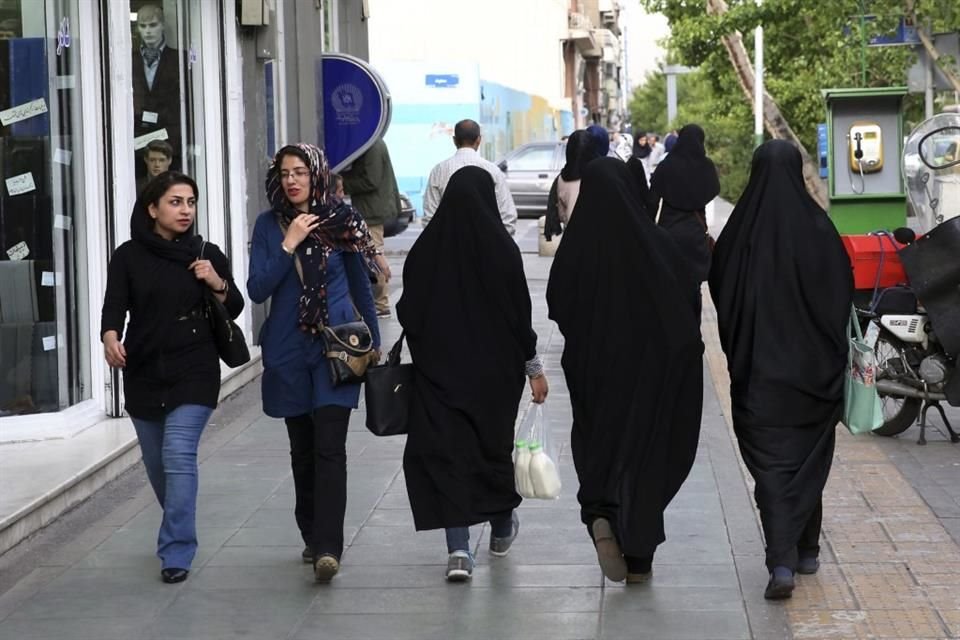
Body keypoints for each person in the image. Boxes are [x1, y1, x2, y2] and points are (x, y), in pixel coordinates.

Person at [546, 157, 704, 584]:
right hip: (648, 377)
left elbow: (556, 304)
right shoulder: (657, 244)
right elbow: (684, 315)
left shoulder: (576, 248)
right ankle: (640, 560)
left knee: (600, 448)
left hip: (591, 374)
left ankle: (600, 513)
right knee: (645, 458)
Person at [709, 140, 853, 600]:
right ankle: (805, 549)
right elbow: (842, 298)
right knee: (809, 459)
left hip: (760, 378)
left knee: (772, 468)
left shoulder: (738, 236)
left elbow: (721, 296)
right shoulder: (819, 231)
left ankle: (782, 561)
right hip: (814, 379)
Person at [397, 166, 548, 582]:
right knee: (490, 449)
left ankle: (459, 550)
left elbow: (407, 311)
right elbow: (520, 315)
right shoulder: (501, 249)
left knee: (448, 454)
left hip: (440, 375)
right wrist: (533, 368)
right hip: (495, 379)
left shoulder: (427, 250)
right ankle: (501, 528)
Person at [100, 171, 244, 584]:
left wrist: (215, 282)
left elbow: (232, 305)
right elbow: (115, 306)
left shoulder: (205, 252)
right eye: (176, 202)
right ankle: (177, 524)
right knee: (157, 463)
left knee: (179, 454)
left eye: (191, 202)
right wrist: (110, 337)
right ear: (152, 208)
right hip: (143, 367)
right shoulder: (127, 255)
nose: (185, 210)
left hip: (195, 367)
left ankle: (176, 550)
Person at [246, 143, 381, 583]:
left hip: (337, 350)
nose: (292, 180)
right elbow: (257, 289)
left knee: (330, 448)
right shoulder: (269, 227)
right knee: (302, 452)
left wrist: (374, 347)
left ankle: (329, 546)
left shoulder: (342, 222)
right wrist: (289, 244)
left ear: (317, 175)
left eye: (301, 171)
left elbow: (362, 289)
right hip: (288, 351)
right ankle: (310, 531)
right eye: (285, 173)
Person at [649, 124, 721, 300]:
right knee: (693, 289)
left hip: (668, 234)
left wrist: (649, 229)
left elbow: (651, 202)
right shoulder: (706, 167)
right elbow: (713, 190)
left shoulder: (666, 166)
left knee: (670, 290)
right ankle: (693, 324)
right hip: (695, 235)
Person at [339, 138, 401, 318]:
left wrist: (343, 183)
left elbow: (371, 180)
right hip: (370, 207)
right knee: (371, 253)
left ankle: (381, 304)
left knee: (373, 253)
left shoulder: (372, 146)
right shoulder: (371, 143)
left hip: (371, 209)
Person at [422, 119, 517, 234]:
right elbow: (507, 216)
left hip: (449, 246)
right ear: (479, 140)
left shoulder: (439, 171)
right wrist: (496, 243)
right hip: (486, 246)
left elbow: (430, 217)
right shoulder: (493, 171)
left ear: (454, 140)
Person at [132, 5, 186, 177]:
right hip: (138, 143)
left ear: (163, 25)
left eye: (153, 25)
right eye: (143, 26)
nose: (148, 31)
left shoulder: (179, 59)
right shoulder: (128, 60)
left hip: (171, 141)